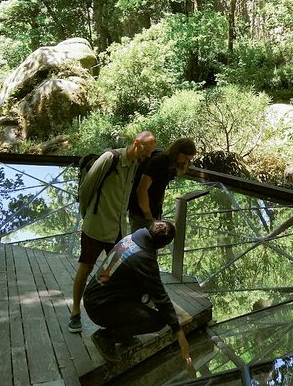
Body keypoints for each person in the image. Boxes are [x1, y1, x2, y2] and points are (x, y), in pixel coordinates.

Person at [68, 131, 156, 333]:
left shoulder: (134, 165)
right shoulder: (110, 158)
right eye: (147, 150)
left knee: (122, 270)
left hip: (117, 229)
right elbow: (86, 188)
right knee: (86, 267)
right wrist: (88, 216)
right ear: (136, 143)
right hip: (96, 225)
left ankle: (119, 312)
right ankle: (75, 312)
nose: (149, 155)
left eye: (151, 152)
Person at [83, 220, 193, 368]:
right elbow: (160, 297)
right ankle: (106, 337)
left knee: (145, 299)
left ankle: (123, 334)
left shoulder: (132, 238)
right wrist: (179, 333)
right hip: (100, 307)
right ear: (162, 245)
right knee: (158, 320)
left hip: (95, 297)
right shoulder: (144, 258)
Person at [128, 138, 197, 232]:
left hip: (153, 212)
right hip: (141, 214)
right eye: (185, 157)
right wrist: (149, 218)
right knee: (143, 245)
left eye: (189, 160)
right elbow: (141, 190)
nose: (186, 162)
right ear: (177, 152)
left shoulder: (169, 165)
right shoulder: (159, 161)